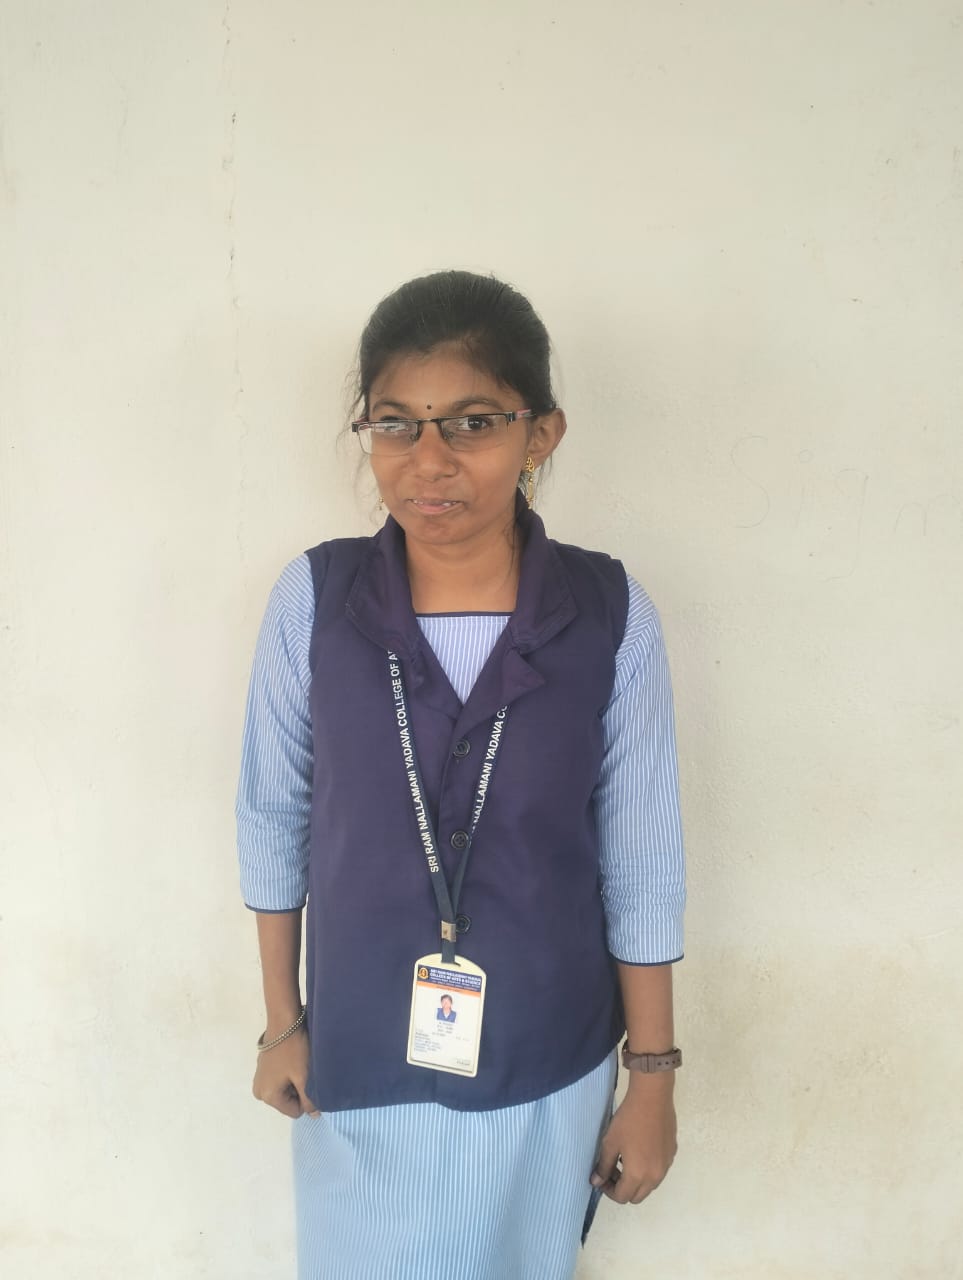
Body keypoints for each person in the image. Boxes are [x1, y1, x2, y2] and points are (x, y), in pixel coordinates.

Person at [237, 270, 686, 1280]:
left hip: (546, 1054)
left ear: (541, 434)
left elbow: (643, 861)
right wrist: (281, 1021)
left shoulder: (609, 615)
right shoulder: (316, 601)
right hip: (358, 1052)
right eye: (396, 424)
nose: (429, 460)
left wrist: (652, 1076)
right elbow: (273, 813)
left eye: (473, 422)